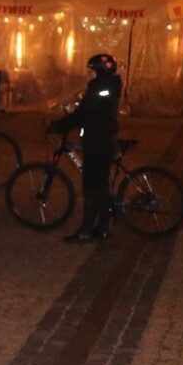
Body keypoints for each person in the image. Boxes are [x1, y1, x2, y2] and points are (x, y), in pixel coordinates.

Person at [52, 54, 122, 243]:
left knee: (92, 187)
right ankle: (102, 226)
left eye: (91, 71)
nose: (89, 74)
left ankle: (86, 230)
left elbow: (83, 114)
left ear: (98, 71)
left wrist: (57, 126)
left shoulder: (98, 87)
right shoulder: (112, 85)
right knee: (101, 186)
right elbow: (94, 108)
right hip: (105, 139)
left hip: (96, 142)